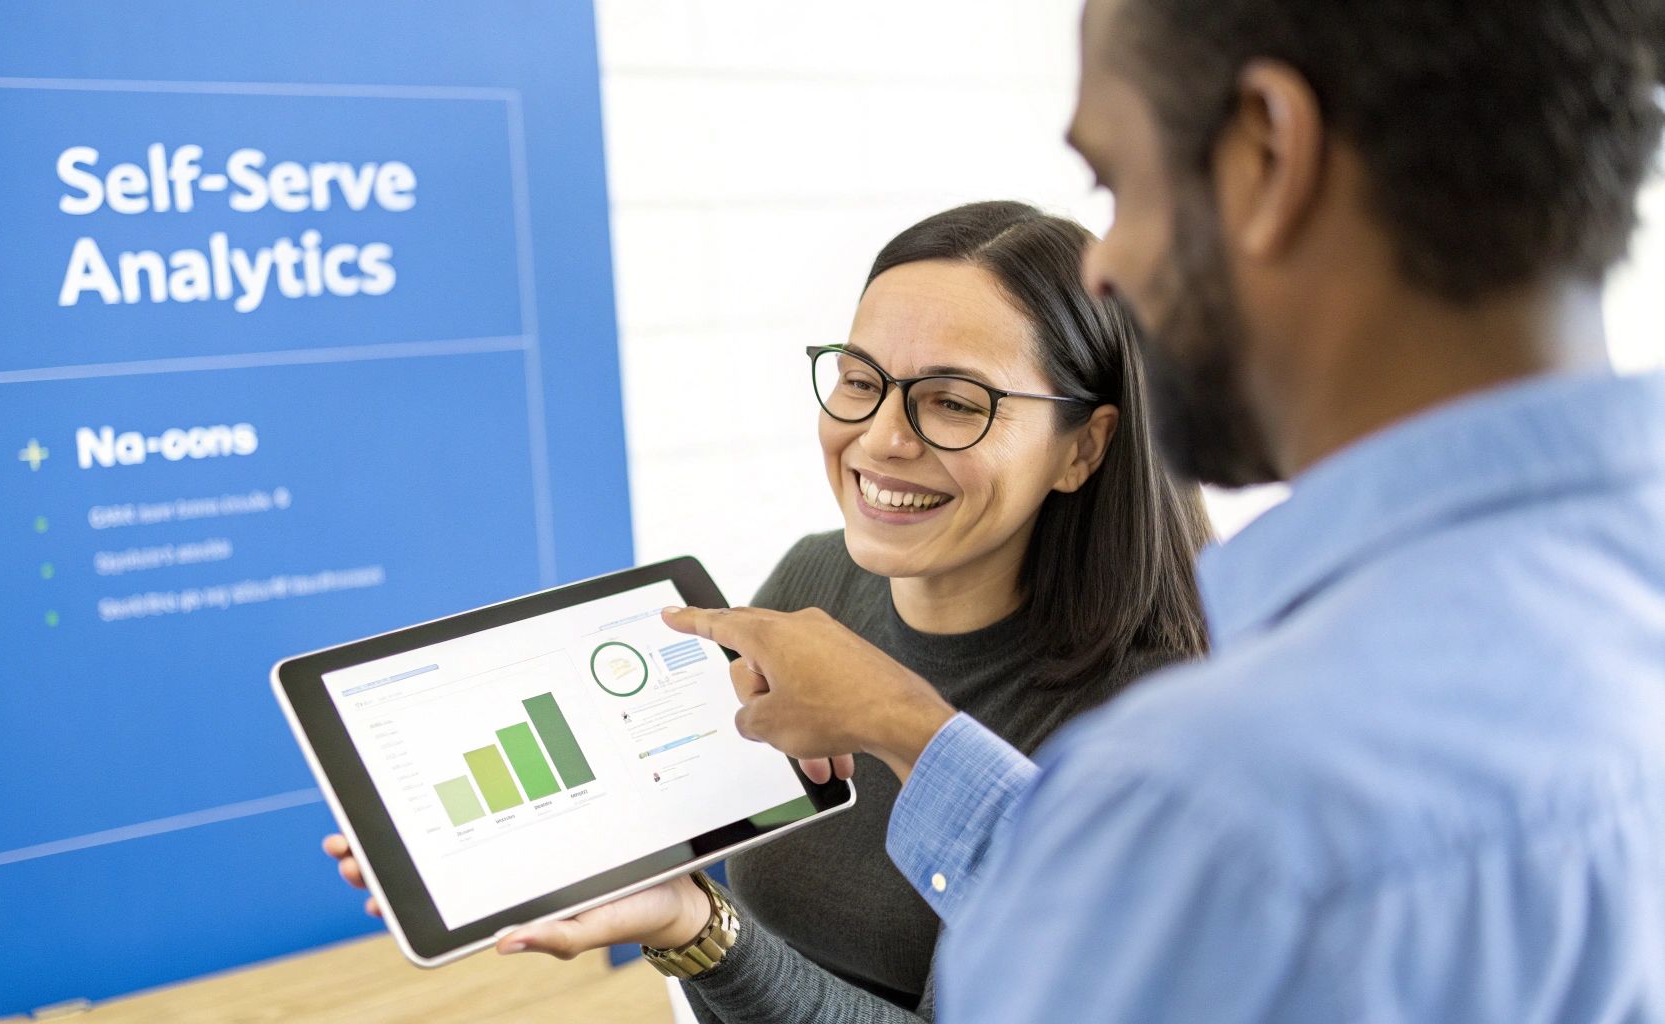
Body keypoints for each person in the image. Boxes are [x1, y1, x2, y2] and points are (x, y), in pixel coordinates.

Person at [661, 0, 1665, 1019]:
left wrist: (713, 927)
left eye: (1118, 184)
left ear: (1268, 154)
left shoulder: (1198, 792)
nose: (1106, 271)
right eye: (859, 381)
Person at [327, 201, 1213, 1020]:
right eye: (860, 380)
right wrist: (504, 849)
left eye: (953, 402)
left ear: (1082, 448)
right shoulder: (814, 581)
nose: (881, 439)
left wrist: (698, 931)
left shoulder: (1152, 720)